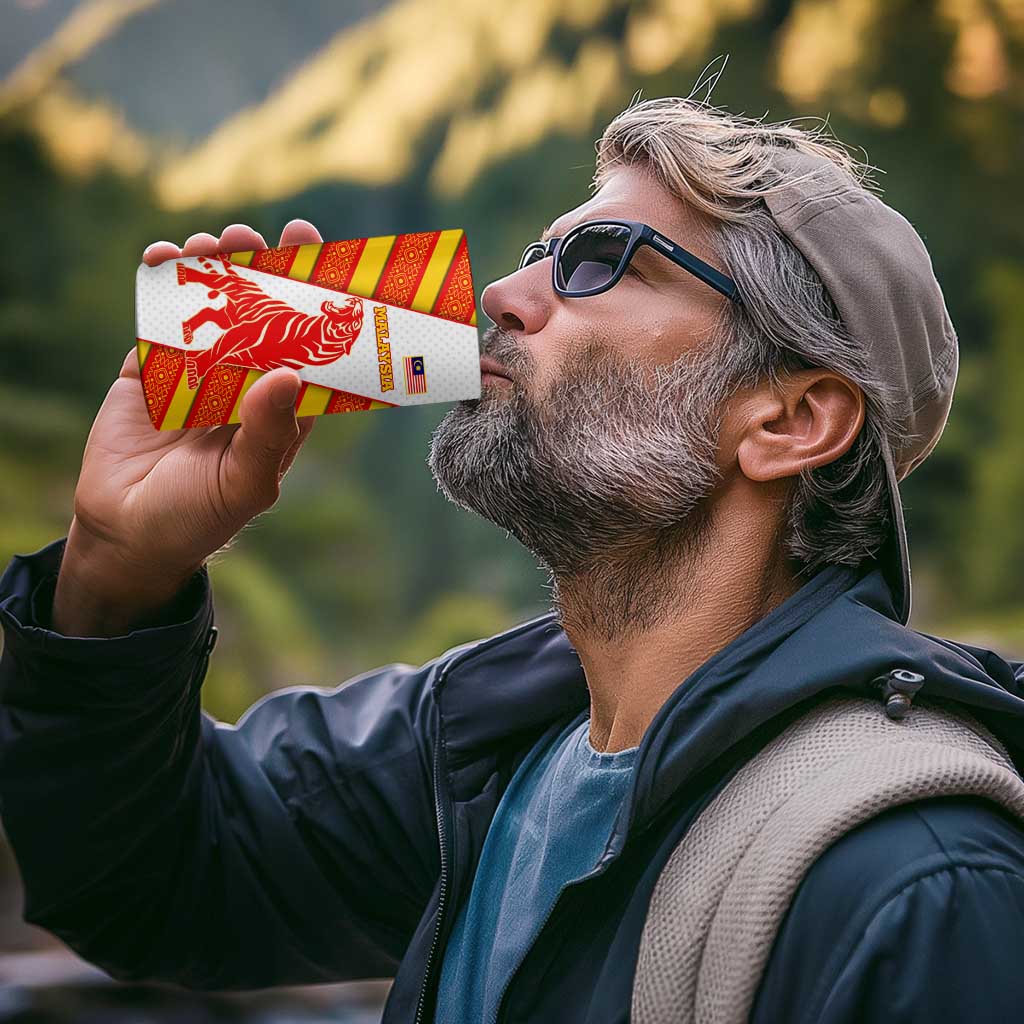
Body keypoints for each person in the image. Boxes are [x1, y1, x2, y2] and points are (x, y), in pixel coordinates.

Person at [2, 95, 1024, 1024]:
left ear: (791, 419)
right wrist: (115, 571)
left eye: (600, 261)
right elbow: (149, 880)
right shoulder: (479, 749)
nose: (503, 291)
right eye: (541, 251)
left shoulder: (918, 883)